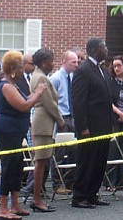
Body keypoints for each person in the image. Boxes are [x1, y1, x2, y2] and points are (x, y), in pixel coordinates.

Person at [0, 50, 45, 219]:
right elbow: (24, 105)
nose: (23, 71)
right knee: (8, 167)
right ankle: (3, 208)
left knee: (17, 165)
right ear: (13, 69)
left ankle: (15, 205)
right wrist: (39, 92)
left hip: (16, 131)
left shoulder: (13, 85)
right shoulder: (6, 86)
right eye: (21, 67)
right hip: (7, 130)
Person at [71, 38, 113, 209]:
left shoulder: (102, 69)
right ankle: (80, 196)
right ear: (95, 50)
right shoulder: (83, 70)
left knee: (99, 162)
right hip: (90, 128)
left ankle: (92, 193)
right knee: (87, 162)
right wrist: (83, 127)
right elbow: (78, 102)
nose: (107, 49)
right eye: (104, 47)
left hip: (103, 126)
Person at [30, 48, 63, 212]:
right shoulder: (41, 77)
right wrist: (61, 120)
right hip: (43, 124)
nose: (53, 63)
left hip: (44, 123)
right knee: (41, 162)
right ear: (44, 62)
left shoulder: (37, 75)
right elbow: (49, 103)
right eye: (51, 60)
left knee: (42, 163)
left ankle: (38, 197)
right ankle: (36, 198)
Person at [49, 50, 78, 194]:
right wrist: (58, 119)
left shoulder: (73, 77)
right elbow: (51, 101)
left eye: (77, 62)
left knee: (73, 152)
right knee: (59, 153)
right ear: (64, 62)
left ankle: (70, 182)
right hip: (61, 118)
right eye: (73, 62)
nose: (76, 64)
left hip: (72, 117)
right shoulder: (55, 78)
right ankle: (57, 184)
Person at [106, 55, 123, 192]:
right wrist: (119, 114)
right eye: (114, 66)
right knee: (113, 150)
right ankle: (111, 182)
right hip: (114, 119)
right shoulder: (110, 82)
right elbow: (108, 101)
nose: (116, 68)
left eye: (119, 65)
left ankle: (122, 182)